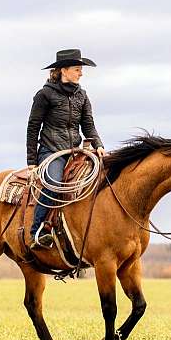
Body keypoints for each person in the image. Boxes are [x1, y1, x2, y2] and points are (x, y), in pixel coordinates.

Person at [26, 49, 106, 248]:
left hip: (77, 151)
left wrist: (98, 145)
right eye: (77, 69)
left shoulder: (82, 96)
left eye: (81, 70)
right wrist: (32, 161)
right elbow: (33, 127)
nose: (81, 73)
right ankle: (37, 231)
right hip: (51, 150)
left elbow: (88, 124)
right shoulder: (44, 95)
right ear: (63, 70)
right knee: (54, 183)